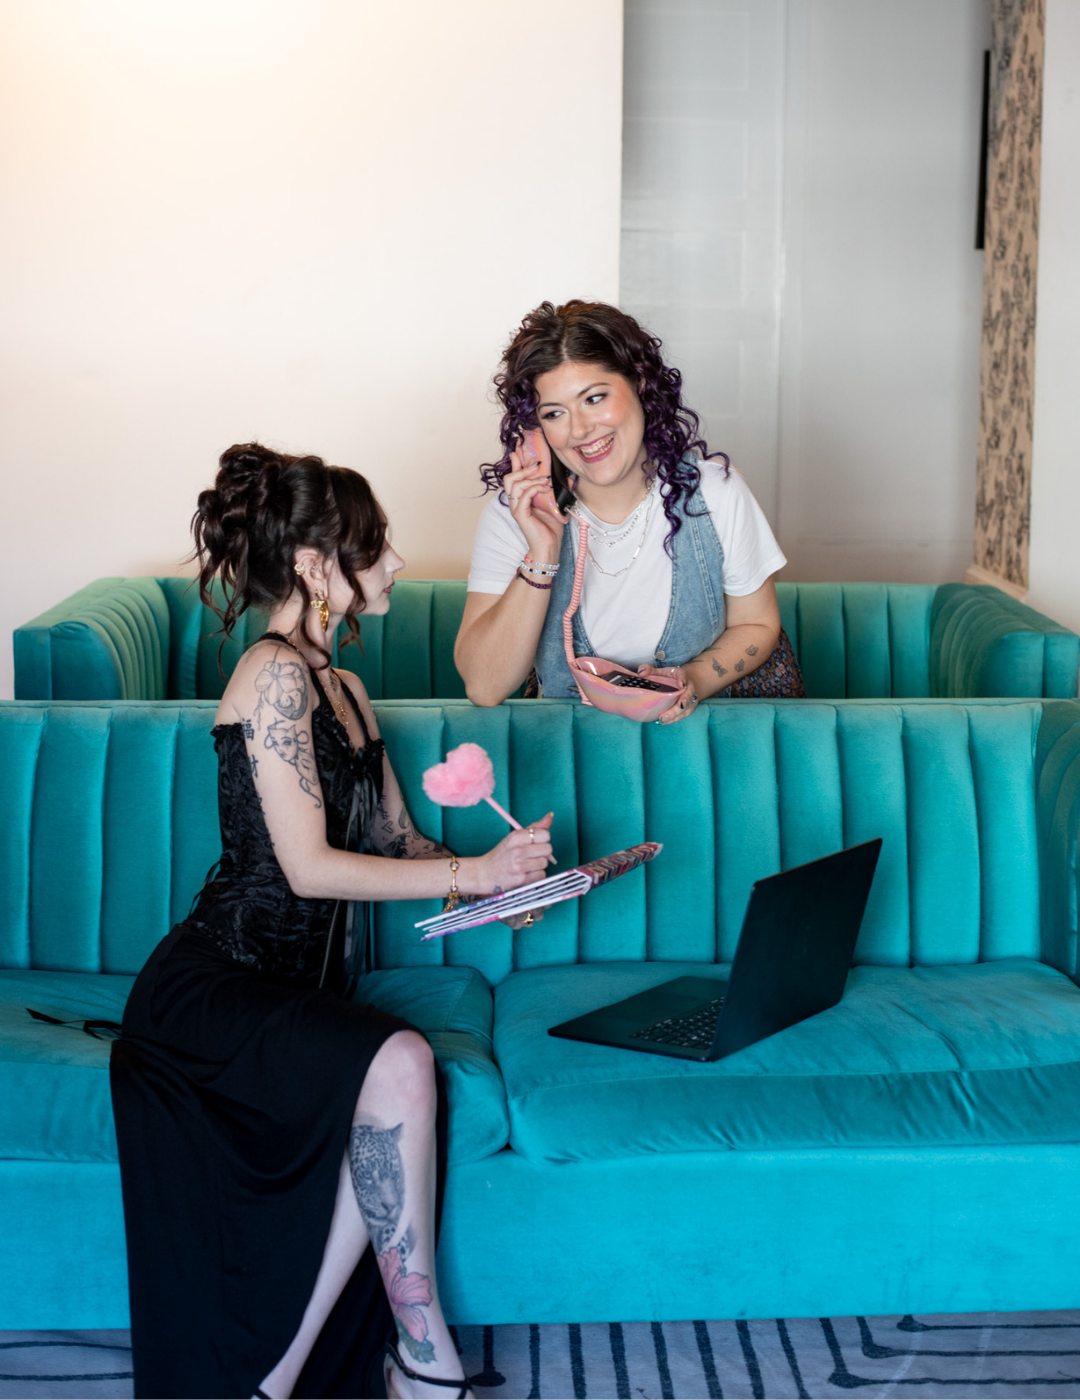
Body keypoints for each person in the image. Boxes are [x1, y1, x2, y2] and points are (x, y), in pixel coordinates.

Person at [109, 443, 554, 1400]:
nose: (395, 563)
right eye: (374, 546)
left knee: (395, 1066)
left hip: (296, 994)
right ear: (316, 566)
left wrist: (502, 882)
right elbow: (307, 871)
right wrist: (469, 874)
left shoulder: (346, 692)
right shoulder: (270, 672)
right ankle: (415, 1359)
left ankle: (293, 1377)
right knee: (400, 1061)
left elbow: (398, 843)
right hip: (215, 990)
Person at [455, 300, 805, 720]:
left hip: (705, 744)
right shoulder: (514, 515)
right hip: (574, 750)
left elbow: (757, 624)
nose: (580, 430)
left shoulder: (714, 492)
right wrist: (542, 553)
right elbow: (485, 686)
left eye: (594, 398)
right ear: (535, 429)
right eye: (554, 413)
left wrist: (694, 678)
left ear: (640, 383)